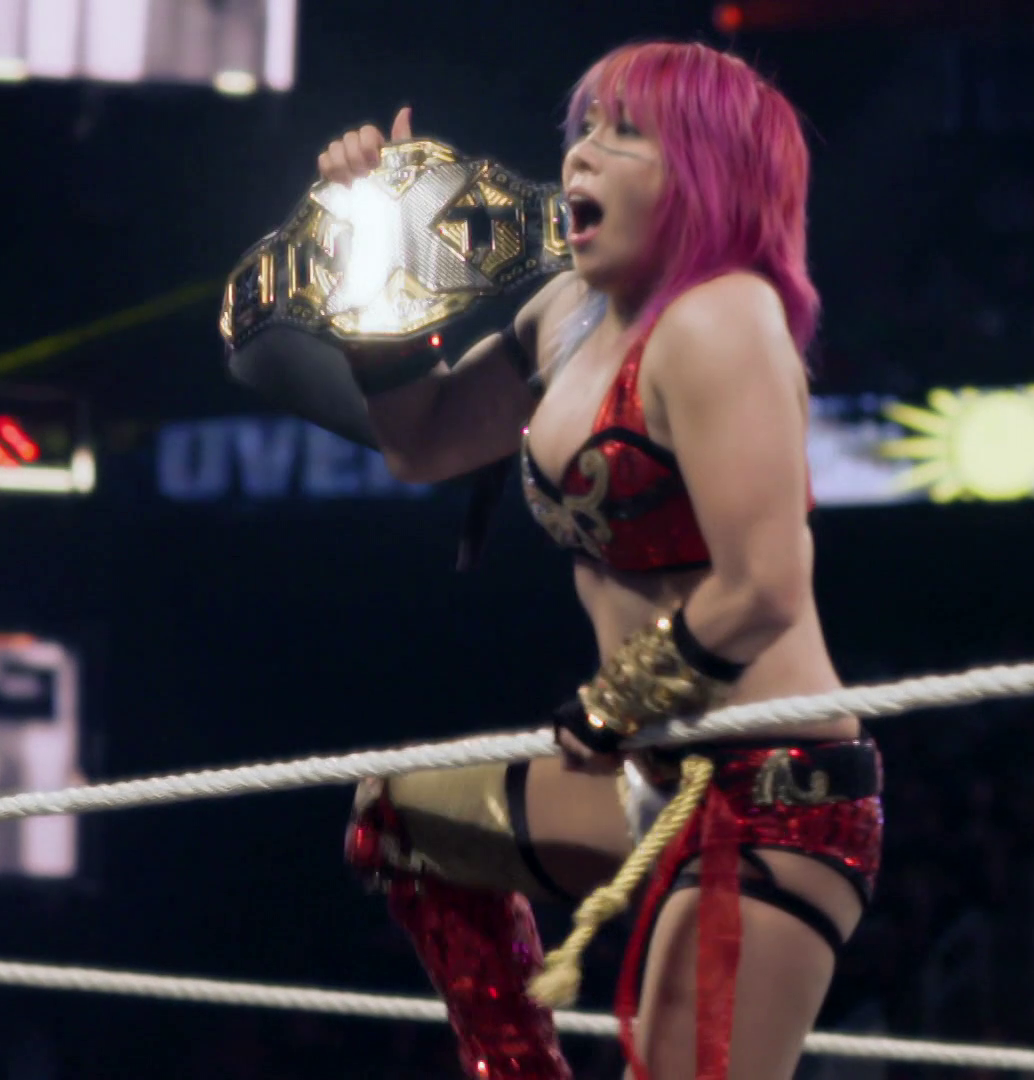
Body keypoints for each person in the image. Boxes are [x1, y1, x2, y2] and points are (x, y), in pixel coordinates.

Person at [298, 42, 880, 1080]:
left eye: (626, 134)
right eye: (583, 130)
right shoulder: (567, 316)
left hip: (771, 792)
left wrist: (614, 705)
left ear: (705, 168)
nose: (580, 156)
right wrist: (376, 248)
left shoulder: (723, 316)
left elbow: (765, 584)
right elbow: (423, 441)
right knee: (399, 819)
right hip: (645, 775)